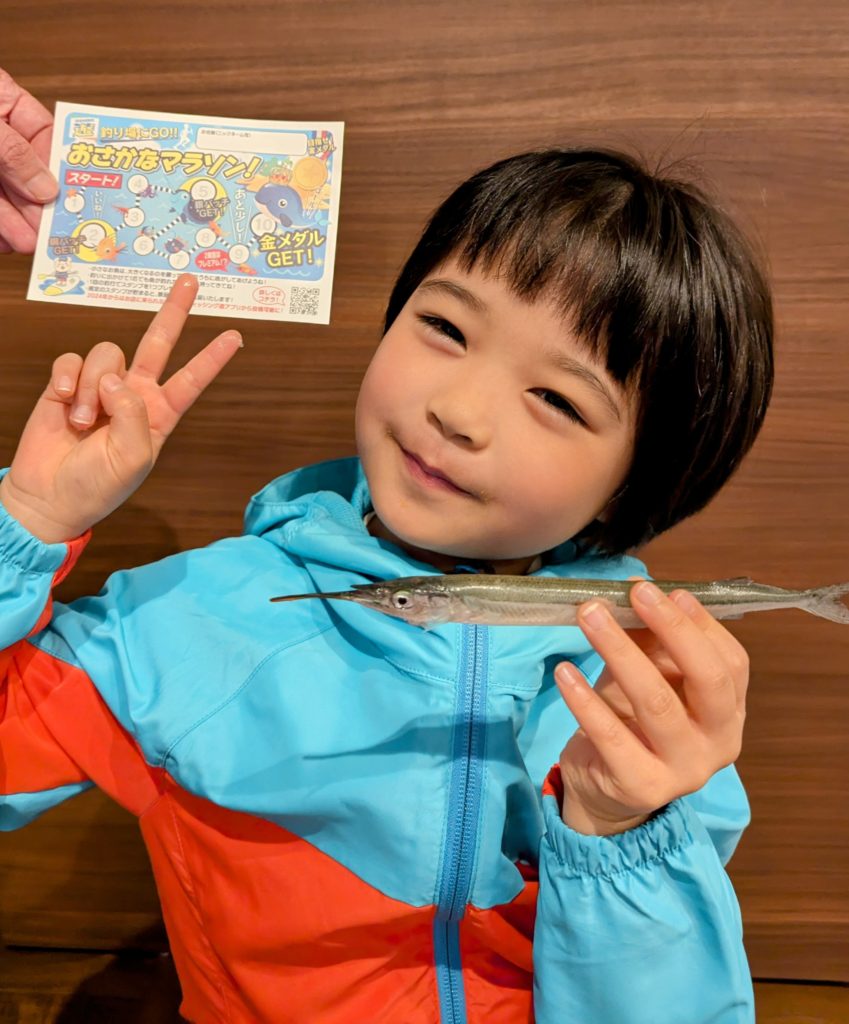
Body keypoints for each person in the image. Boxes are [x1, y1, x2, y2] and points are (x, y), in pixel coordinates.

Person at [0, 72, 772, 1024]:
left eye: (557, 398)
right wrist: (23, 524)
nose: (458, 411)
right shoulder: (187, 619)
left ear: (640, 485)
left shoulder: (647, 690)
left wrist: (618, 832)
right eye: (444, 326)